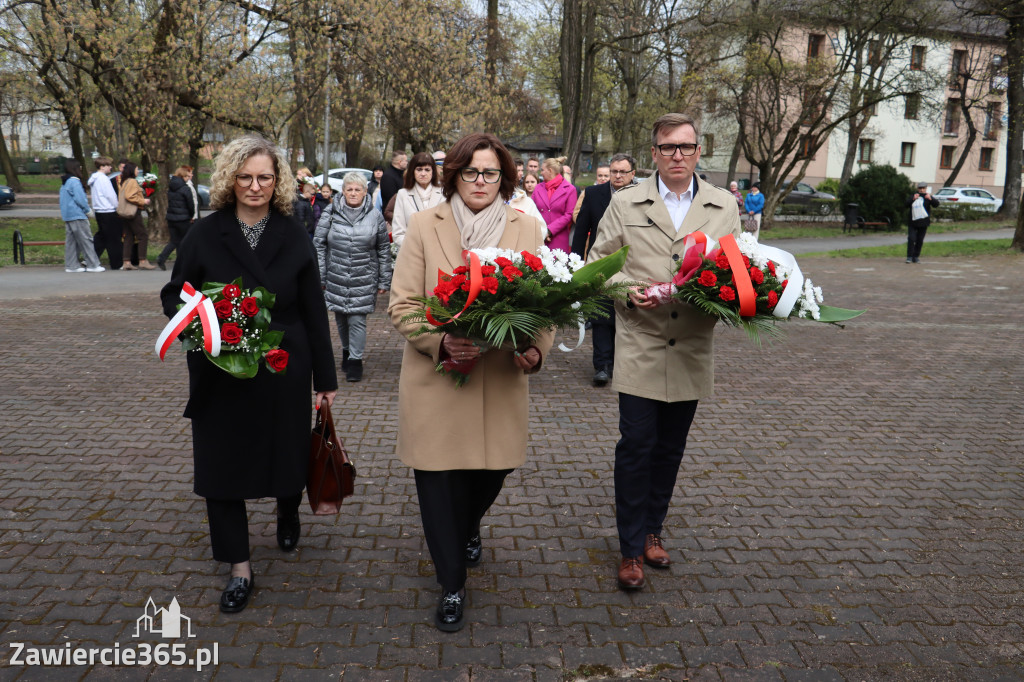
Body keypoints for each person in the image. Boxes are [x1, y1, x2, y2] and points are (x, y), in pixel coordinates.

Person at [160, 134, 337, 614]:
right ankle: (239, 567)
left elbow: (314, 309)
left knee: (285, 455)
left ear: (276, 181)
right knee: (222, 467)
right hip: (222, 373)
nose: (254, 186)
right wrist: (205, 320)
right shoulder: (205, 232)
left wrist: (326, 379)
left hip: (283, 368)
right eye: (245, 177)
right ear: (229, 179)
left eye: (264, 177)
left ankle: (287, 507)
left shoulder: (293, 231)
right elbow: (175, 294)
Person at [388, 132, 554, 632]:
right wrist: (439, 343)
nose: (480, 182)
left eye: (491, 173)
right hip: (438, 378)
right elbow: (402, 304)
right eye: (470, 172)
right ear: (453, 175)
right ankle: (452, 584)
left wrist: (535, 348)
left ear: (504, 179)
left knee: (490, 474)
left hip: (499, 378)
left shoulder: (528, 228)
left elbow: (545, 304)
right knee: (438, 484)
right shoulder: (422, 224)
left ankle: (470, 526)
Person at [587, 113, 740, 592]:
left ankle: (654, 529)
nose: (678, 155)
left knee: (670, 448)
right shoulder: (626, 200)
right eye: (668, 147)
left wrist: (721, 293)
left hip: (693, 344)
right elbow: (598, 265)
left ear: (699, 153)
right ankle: (631, 547)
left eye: (687, 147)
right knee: (636, 446)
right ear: (653, 153)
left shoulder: (722, 204)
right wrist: (626, 290)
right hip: (640, 341)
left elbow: (737, 266)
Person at [314, 172, 392, 382]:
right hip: (336, 274)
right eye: (349, 189)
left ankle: (355, 361)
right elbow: (318, 244)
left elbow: (384, 248)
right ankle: (347, 352)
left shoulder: (375, 216)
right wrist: (320, 275)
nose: (353, 193)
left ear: (365, 192)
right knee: (340, 317)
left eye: (358, 189)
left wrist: (385, 279)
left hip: (364, 275)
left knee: (357, 319)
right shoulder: (330, 212)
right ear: (343, 191)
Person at [571, 153, 636, 386]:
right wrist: (576, 265)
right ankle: (601, 366)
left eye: (622, 172)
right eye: (614, 171)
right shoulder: (594, 193)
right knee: (600, 316)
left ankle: (619, 363)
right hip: (600, 264)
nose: (617, 176)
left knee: (624, 317)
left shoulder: (641, 198)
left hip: (630, 267)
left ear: (632, 174)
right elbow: (581, 231)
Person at [391, 152, 444, 248]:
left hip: (438, 252)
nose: (423, 174)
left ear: (433, 172)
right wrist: (416, 249)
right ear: (412, 171)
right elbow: (398, 233)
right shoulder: (403, 194)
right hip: (411, 253)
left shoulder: (444, 194)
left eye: (427, 170)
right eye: (419, 169)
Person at [60, 160, 105, 273]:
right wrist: (88, 211)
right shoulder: (75, 182)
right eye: (79, 167)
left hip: (68, 215)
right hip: (78, 215)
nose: (80, 169)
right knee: (86, 240)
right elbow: (80, 199)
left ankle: (71, 265)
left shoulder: (65, 182)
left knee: (72, 241)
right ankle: (93, 264)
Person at [532, 156, 577, 253]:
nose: (541, 173)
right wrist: (542, 231)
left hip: (558, 239)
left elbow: (569, 214)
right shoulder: (538, 188)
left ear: (550, 170)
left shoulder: (570, 189)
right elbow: (532, 210)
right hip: (539, 237)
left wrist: (550, 230)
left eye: (542, 170)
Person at [116, 162, 156, 270]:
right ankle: (142, 260)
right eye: (137, 169)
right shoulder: (132, 181)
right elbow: (130, 196)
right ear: (132, 170)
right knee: (143, 235)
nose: (138, 171)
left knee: (129, 236)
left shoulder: (125, 181)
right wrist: (143, 201)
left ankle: (126, 261)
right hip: (133, 213)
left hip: (125, 213)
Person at [157, 166, 197, 270]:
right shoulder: (185, 188)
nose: (188, 178)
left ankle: (162, 257)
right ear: (183, 175)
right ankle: (184, 263)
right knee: (186, 241)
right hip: (183, 219)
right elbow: (190, 204)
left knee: (175, 241)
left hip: (171, 218)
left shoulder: (171, 187)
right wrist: (191, 215)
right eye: (187, 176)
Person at [88, 156, 122, 270]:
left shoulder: (94, 178)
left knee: (101, 236)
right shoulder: (103, 179)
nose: (111, 167)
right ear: (102, 167)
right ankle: (117, 263)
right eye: (108, 165)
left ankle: (90, 258)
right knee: (113, 238)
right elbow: (110, 195)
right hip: (108, 210)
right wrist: (117, 206)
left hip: (99, 211)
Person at [906, 182, 939, 264]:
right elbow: (906, 204)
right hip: (913, 222)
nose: (921, 190)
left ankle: (916, 257)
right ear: (918, 189)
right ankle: (909, 257)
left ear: (926, 189)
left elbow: (936, 204)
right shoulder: (914, 196)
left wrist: (931, 198)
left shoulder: (928, 197)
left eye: (923, 188)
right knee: (911, 238)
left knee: (920, 240)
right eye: (920, 188)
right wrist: (913, 199)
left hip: (923, 223)